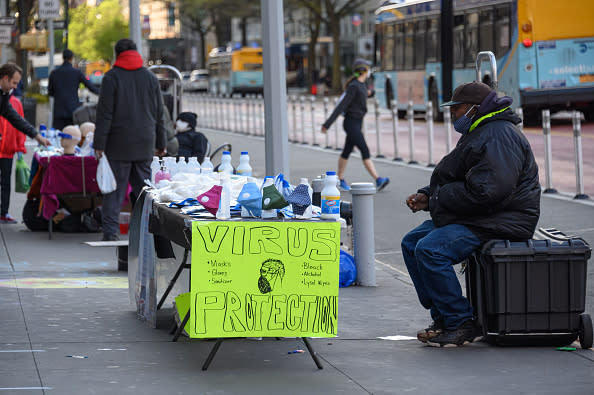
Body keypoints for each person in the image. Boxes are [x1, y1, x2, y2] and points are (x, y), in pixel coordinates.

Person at [401, 81, 541, 347]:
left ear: (474, 108)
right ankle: (443, 315)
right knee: (411, 243)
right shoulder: (480, 130)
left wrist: (437, 199)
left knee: (430, 250)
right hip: (479, 214)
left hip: (499, 220)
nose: (453, 114)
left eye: (457, 108)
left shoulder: (498, 135)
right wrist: (428, 196)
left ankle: (460, 321)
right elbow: (458, 174)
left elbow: (488, 191)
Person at [94, 39, 166, 241]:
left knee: (114, 193)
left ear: (118, 55)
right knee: (145, 192)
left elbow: (104, 114)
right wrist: (161, 143)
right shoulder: (150, 78)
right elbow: (159, 113)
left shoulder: (111, 77)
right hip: (145, 143)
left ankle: (110, 233)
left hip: (118, 145)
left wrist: (99, 144)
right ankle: (151, 234)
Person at [321, 58, 389, 192]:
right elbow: (341, 106)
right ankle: (378, 179)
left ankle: (339, 179)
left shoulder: (362, 85)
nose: (369, 71)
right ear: (364, 71)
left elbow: (367, 93)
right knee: (364, 149)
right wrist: (327, 124)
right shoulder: (354, 86)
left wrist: (372, 93)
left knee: (346, 151)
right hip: (351, 123)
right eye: (368, 69)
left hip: (357, 123)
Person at [48, 49, 100, 131]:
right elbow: (90, 87)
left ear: (63, 58)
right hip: (73, 110)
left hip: (58, 111)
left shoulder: (54, 73)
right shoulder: (77, 72)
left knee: (58, 136)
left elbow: (50, 92)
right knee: (73, 135)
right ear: (71, 58)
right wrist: (104, 93)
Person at [0, 63, 50, 147]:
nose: (15, 87)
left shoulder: (4, 94)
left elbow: (15, 117)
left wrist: (36, 136)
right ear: (5, 78)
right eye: (14, 83)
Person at [0, 93, 25, 223]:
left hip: (8, 151)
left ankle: (4, 211)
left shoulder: (16, 103)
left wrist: (20, 147)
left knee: (5, 183)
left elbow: (20, 126)